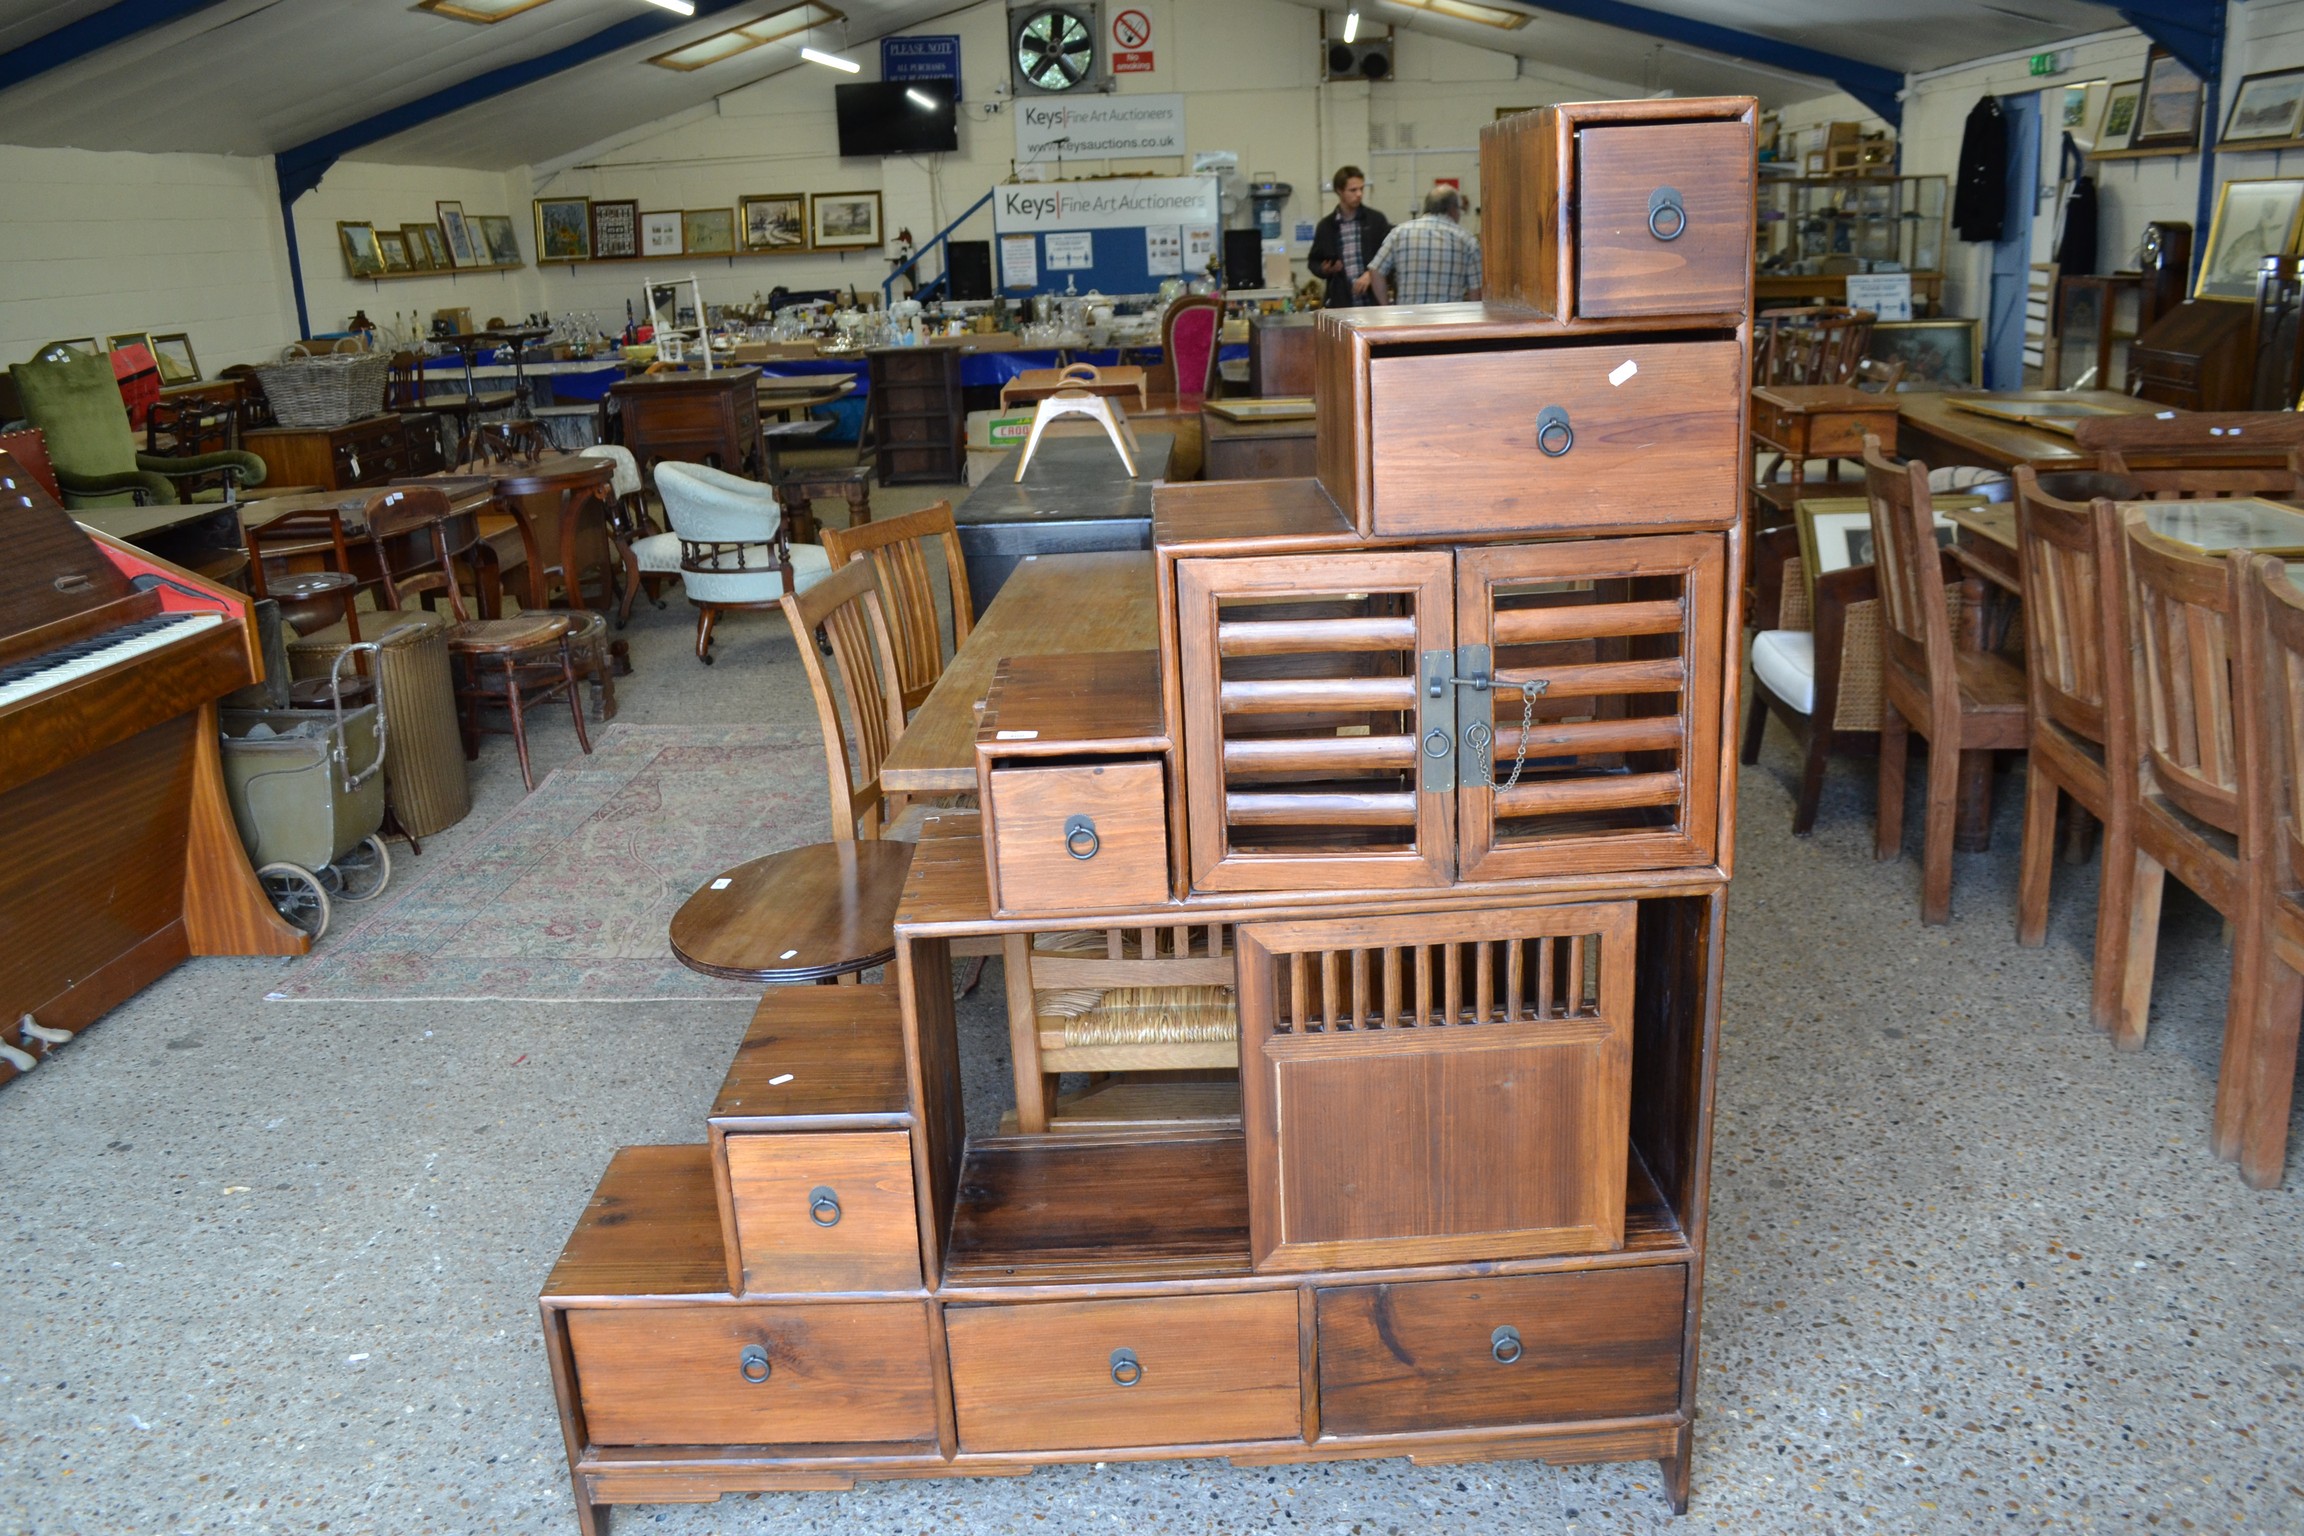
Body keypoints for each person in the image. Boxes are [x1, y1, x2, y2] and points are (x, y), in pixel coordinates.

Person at [1362, 187, 1482, 306]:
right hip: (1449, 322)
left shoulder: (1399, 233)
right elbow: (1476, 291)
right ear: (1452, 209)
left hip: (1408, 320)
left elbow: (1376, 270)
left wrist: (1386, 308)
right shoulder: (1467, 240)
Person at [1307, 167, 1391, 310]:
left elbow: (1390, 256)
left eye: (1361, 189)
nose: (1359, 194)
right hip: (1341, 302)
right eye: (1353, 190)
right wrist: (1325, 269)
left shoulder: (1376, 220)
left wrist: (1371, 274)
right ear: (1340, 191)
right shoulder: (1326, 226)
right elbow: (1313, 262)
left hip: (1372, 301)